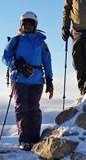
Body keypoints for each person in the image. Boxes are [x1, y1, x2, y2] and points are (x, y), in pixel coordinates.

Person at [3, 11, 53, 150]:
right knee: (22, 108)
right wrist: (16, 64)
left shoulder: (41, 42)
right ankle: (24, 140)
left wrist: (49, 79)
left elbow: (47, 61)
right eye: (25, 23)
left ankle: (34, 139)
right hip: (19, 79)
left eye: (31, 23)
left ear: (35, 25)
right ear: (21, 24)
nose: (28, 26)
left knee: (34, 109)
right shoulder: (16, 40)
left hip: (37, 80)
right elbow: (5, 57)